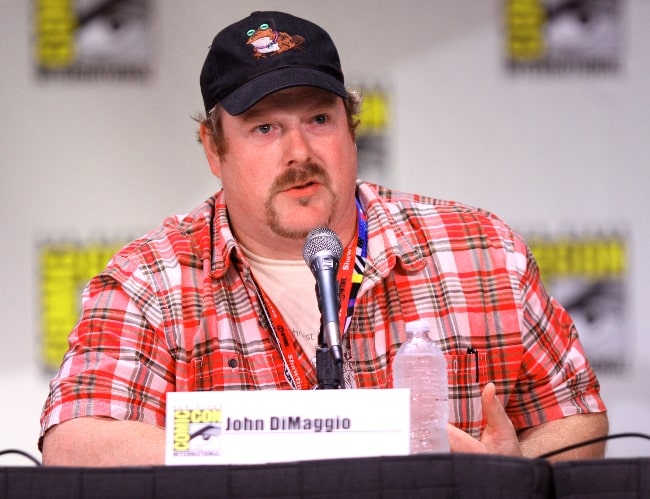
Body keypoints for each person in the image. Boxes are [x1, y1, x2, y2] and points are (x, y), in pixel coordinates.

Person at [39, 10, 608, 466]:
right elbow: (77, 443)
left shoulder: (480, 250)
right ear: (214, 150)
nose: (299, 154)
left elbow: (576, 412)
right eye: (265, 128)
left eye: (318, 120)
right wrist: (288, 445)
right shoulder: (151, 280)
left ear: (352, 128)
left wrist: (513, 473)